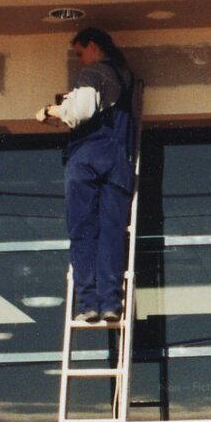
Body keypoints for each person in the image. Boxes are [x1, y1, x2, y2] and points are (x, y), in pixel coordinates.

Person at [36, 27, 136, 323]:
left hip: (87, 159)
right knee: (111, 232)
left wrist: (50, 110)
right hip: (118, 162)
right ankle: (110, 304)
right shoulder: (126, 79)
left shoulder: (92, 74)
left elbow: (79, 112)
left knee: (83, 231)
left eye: (80, 53)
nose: (81, 61)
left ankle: (89, 303)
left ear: (92, 46)